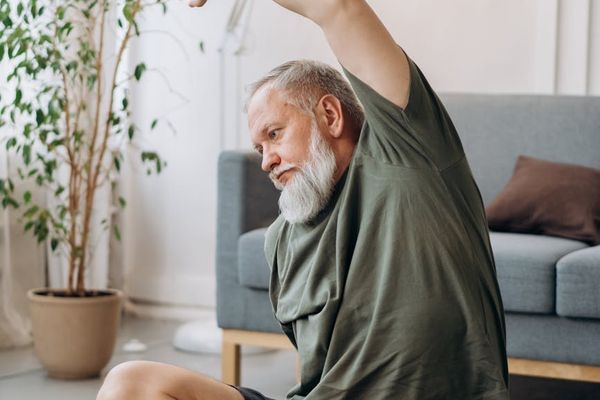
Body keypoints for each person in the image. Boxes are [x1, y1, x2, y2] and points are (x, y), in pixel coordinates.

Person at [96, 0, 510, 399]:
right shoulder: (282, 240)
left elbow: (338, 8)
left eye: (274, 134)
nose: (266, 161)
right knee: (130, 382)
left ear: (330, 115)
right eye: (259, 149)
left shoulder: (410, 156)